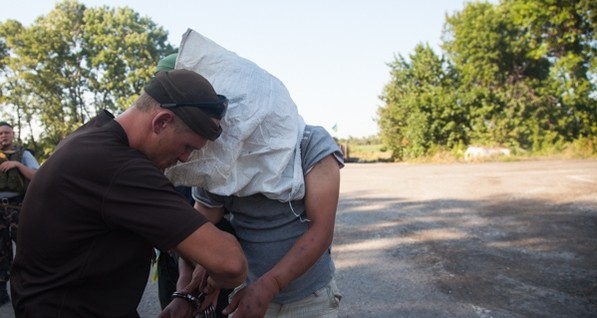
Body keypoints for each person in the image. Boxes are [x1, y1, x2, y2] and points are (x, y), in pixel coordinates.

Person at [10, 69, 248, 317]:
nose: (185, 158)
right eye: (187, 146)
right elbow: (231, 263)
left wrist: (188, 292)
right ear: (161, 121)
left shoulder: (90, 137)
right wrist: (218, 269)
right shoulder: (119, 166)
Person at [0, 121, 39, 306]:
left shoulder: (23, 154)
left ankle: (31, 286)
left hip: (18, 206)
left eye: (6, 132)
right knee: (0, 250)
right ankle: (1, 291)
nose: (3, 136)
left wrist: (17, 164)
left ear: (13, 134)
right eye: (0, 133)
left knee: (26, 247)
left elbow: (37, 176)